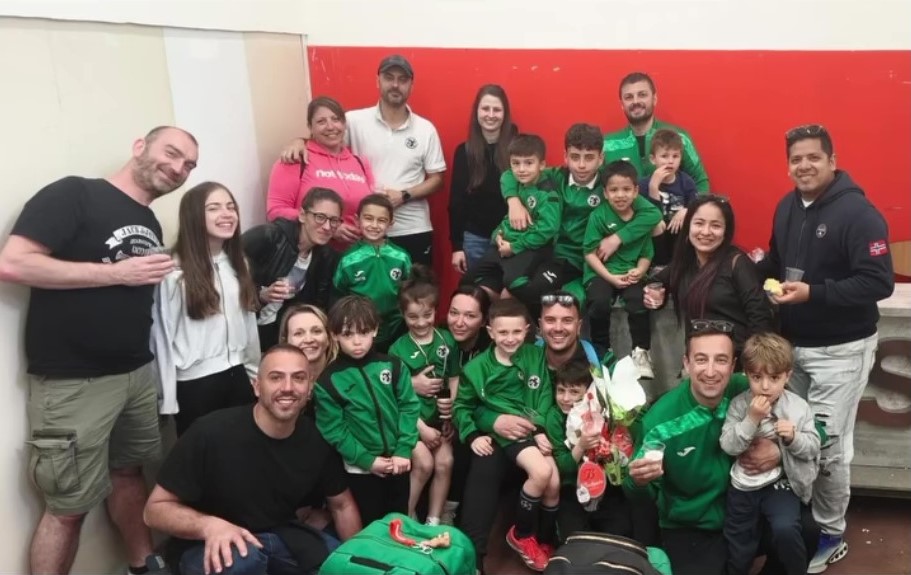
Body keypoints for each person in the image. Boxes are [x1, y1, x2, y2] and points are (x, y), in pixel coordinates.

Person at [0, 125, 198, 575]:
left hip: (135, 374)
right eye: (172, 153)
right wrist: (117, 274)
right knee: (67, 507)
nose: (178, 168)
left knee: (129, 474)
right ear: (139, 146)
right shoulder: (75, 194)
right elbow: (12, 263)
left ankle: (144, 566)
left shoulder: (149, 221)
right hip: (74, 382)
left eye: (188, 165)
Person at [757, 124, 894, 572]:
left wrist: (814, 293)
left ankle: (831, 533)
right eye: (796, 159)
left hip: (843, 350)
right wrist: (754, 271)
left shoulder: (860, 214)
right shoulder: (786, 206)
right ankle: (802, 523)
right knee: (792, 437)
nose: (804, 166)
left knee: (827, 445)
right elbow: (777, 262)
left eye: (813, 157)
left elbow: (878, 281)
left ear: (832, 161)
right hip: (793, 349)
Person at [143, 344, 362, 575]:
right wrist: (208, 526)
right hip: (206, 544)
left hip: (278, 535)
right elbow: (154, 510)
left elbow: (342, 505)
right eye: (276, 377)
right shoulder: (210, 432)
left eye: (298, 378)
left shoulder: (315, 439)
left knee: (338, 565)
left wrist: (360, 558)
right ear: (257, 386)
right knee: (246, 563)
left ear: (309, 389)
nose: (288, 387)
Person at [623, 321, 818, 575]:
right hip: (696, 525)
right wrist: (638, 481)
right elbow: (638, 493)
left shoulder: (751, 387)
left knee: (805, 531)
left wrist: (780, 452)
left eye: (721, 360)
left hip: (753, 504)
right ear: (686, 363)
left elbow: (814, 429)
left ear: (733, 365)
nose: (711, 371)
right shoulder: (660, 420)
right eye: (701, 359)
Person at [281, 55, 446, 266]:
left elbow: (437, 179)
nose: (395, 85)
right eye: (389, 78)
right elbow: (325, 141)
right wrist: (300, 141)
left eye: (402, 79)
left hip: (412, 228)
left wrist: (404, 195)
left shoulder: (425, 129)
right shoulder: (354, 120)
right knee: (362, 286)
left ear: (411, 85)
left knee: (415, 285)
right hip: (364, 230)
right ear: (378, 81)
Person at [503, 124, 660, 306]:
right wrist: (513, 200)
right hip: (549, 253)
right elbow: (509, 175)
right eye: (575, 157)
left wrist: (617, 238)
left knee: (563, 299)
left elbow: (653, 214)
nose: (582, 165)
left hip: (588, 260)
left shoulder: (611, 184)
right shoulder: (556, 176)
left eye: (589, 157)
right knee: (508, 292)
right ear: (566, 157)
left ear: (601, 159)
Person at [454, 298, 558, 572]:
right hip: (500, 438)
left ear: (527, 330)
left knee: (552, 480)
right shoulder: (476, 369)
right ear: (490, 332)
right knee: (488, 468)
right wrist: (473, 435)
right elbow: (463, 406)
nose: (510, 338)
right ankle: (476, 557)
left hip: (533, 433)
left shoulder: (536, 356)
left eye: (516, 332)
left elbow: (544, 393)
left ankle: (542, 541)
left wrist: (539, 428)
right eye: (502, 332)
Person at [151, 182, 261, 436]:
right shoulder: (173, 271)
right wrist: (164, 396)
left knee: (241, 447)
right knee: (202, 453)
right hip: (195, 384)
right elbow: (161, 337)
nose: (226, 214)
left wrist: (255, 373)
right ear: (193, 216)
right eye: (214, 208)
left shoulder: (239, 263)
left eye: (230, 207)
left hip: (238, 376)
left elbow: (248, 323)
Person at [314, 296, 420, 525]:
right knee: (371, 526)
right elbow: (334, 429)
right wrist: (367, 460)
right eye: (347, 334)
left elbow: (409, 406)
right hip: (361, 470)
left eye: (363, 332)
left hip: (399, 461)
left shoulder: (393, 365)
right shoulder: (328, 381)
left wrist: (403, 449)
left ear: (375, 330)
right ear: (334, 335)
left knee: (398, 523)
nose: (356, 342)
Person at [721, 332, 821, 575]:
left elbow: (813, 447)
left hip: (780, 484)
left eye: (774, 377)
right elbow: (729, 446)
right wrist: (751, 419)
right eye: (757, 377)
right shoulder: (739, 405)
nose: (765, 386)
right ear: (746, 374)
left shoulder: (798, 407)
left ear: (787, 376)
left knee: (786, 528)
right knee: (739, 544)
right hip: (743, 487)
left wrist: (793, 438)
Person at [646, 195, 773, 363]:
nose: (706, 232)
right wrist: (656, 296)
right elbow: (653, 282)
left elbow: (760, 316)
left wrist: (751, 363)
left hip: (734, 363)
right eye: (699, 223)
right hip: (699, 360)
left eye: (715, 225)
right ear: (688, 226)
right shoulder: (685, 262)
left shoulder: (737, 263)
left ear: (726, 231)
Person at [388, 266, 458, 525]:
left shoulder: (447, 340)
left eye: (427, 315)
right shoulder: (397, 349)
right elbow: (396, 396)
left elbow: (454, 378)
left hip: (439, 422)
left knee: (445, 462)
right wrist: (422, 429)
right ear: (403, 314)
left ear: (436, 311)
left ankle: (434, 520)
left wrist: (451, 413)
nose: (420, 322)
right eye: (413, 317)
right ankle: (405, 516)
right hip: (411, 423)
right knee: (425, 464)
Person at [465, 134, 561, 314]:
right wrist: (498, 235)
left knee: (514, 283)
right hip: (504, 244)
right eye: (516, 163)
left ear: (542, 165)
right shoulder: (516, 184)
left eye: (528, 163)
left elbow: (547, 230)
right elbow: (508, 219)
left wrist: (515, 246)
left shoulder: (548, 194)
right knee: (468, 280)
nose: (521, 169)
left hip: (531, 248)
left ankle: (536, 318)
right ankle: (491, 322)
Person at [584, 160, 662, 377]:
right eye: (614, 190)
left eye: (626, 189)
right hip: (602, 272)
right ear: (605, 193)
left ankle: (641, 352)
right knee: (598, 301)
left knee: (638, 300)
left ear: (636, 191)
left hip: (630, 273)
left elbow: (646, 254)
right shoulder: (598, 216)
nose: (620, 195)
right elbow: (589, 253)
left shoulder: (642, 220)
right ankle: (602, 350)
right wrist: (610, 277)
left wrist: (640, 271)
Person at [266, 96, 374, 248]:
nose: (330, 126)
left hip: (357, 255)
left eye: (336, 119)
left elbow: (371, 207)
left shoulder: (360, 163)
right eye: (321, 121)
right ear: (310, 127)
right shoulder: (296, 159)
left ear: (344, 124)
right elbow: (275, 211)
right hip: (313, 254)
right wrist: (329, 227)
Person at [243, 187, 342, 350]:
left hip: (280, 333)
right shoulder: (268, 236)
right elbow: (226, 276)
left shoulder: (326, 256)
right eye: (320, 217)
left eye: (334, 220)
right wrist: (261, 295)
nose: (327, 226)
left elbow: (319, 305)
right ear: (302, 215)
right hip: (244, 327)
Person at [449, 84, 518, 272]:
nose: (491, 115)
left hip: (511, 238)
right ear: (477, 112)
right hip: (475, 240)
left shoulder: (517, 149)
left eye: (497, 109)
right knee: (476, 290)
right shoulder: (464, 152)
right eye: (485, 108)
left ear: (505, 114)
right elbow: (457, 203)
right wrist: (457, 247)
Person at [603, 72, 709, 192]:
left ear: (654, 99)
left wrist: (690, 204)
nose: (635, 101)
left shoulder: (678, 137)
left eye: (642, 95)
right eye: (629, 97)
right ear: (622, 104)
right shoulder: (607, 145)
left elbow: (700, 182)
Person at [333, 194, 412, 351]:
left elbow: (410, 290)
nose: (374, 225)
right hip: (360, 330)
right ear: (357, 220)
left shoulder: (401, 257)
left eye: (381, 220)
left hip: (396, 328)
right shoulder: (348, 259)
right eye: (368, 218)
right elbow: (338, 294)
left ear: (391, 223)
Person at [638, 129, 699, 267]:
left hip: (678, 235)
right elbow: (648, 216)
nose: (670, 161)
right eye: (664, 156)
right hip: (655, 237)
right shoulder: (644, 185)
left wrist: (686, 210)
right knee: (656, 223)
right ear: (653, 159)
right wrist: (654, 188)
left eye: (675, 156)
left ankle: (681, 265)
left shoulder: (686, 182)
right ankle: (659, 266)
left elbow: (697, 206)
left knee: (686, 222)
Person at [278, 303, 338, 383]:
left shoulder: (347, 379)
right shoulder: (278, 383)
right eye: (298, 333)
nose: (308, 340)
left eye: (316, 331)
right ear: (285, 342)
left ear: (329, 338)